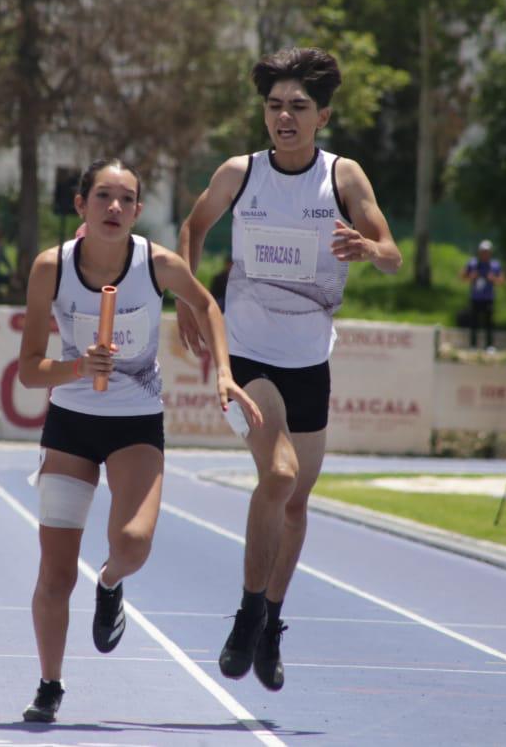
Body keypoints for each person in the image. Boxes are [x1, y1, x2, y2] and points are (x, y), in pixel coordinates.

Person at [176, 47, 401, 692]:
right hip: (248, 352)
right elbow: (193, 227)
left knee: (297, 503)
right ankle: (247, 613)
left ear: (322, 116)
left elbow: (392, 254)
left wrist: (368, 247)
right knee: (278, 475)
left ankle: (273, 621)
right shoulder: (239, 173)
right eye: (274, 105)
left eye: (298, 106)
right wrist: (189, 300)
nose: (284, 116)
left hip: (310, 357)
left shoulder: (343, 177)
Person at [17, 158, 261, 723]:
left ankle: (109, 583)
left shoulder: (158, 264)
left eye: (126, 199)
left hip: (136, 422)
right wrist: (78, 368)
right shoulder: (52, 267)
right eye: (103, 196)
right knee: (55, 573)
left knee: (132, 544)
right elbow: (29, 370)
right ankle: (49, 684)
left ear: (138, 210)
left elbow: (207, 304)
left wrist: (224, 371)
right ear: (81, 205)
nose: (115, 207)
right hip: (71, 423)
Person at [461, 239, 505, 350]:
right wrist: (471, 277)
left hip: (488, 298)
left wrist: (493, 279)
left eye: (487, 252)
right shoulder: (473, 263)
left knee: (489, 323)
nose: (485, 254)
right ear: (479, 252)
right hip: (475, 298)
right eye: (483, 251)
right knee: (473, 323)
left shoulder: (495, 265)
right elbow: (463, 276)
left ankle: (489, 346)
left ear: (490, 253)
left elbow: (501, 280)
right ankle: (473, 345)